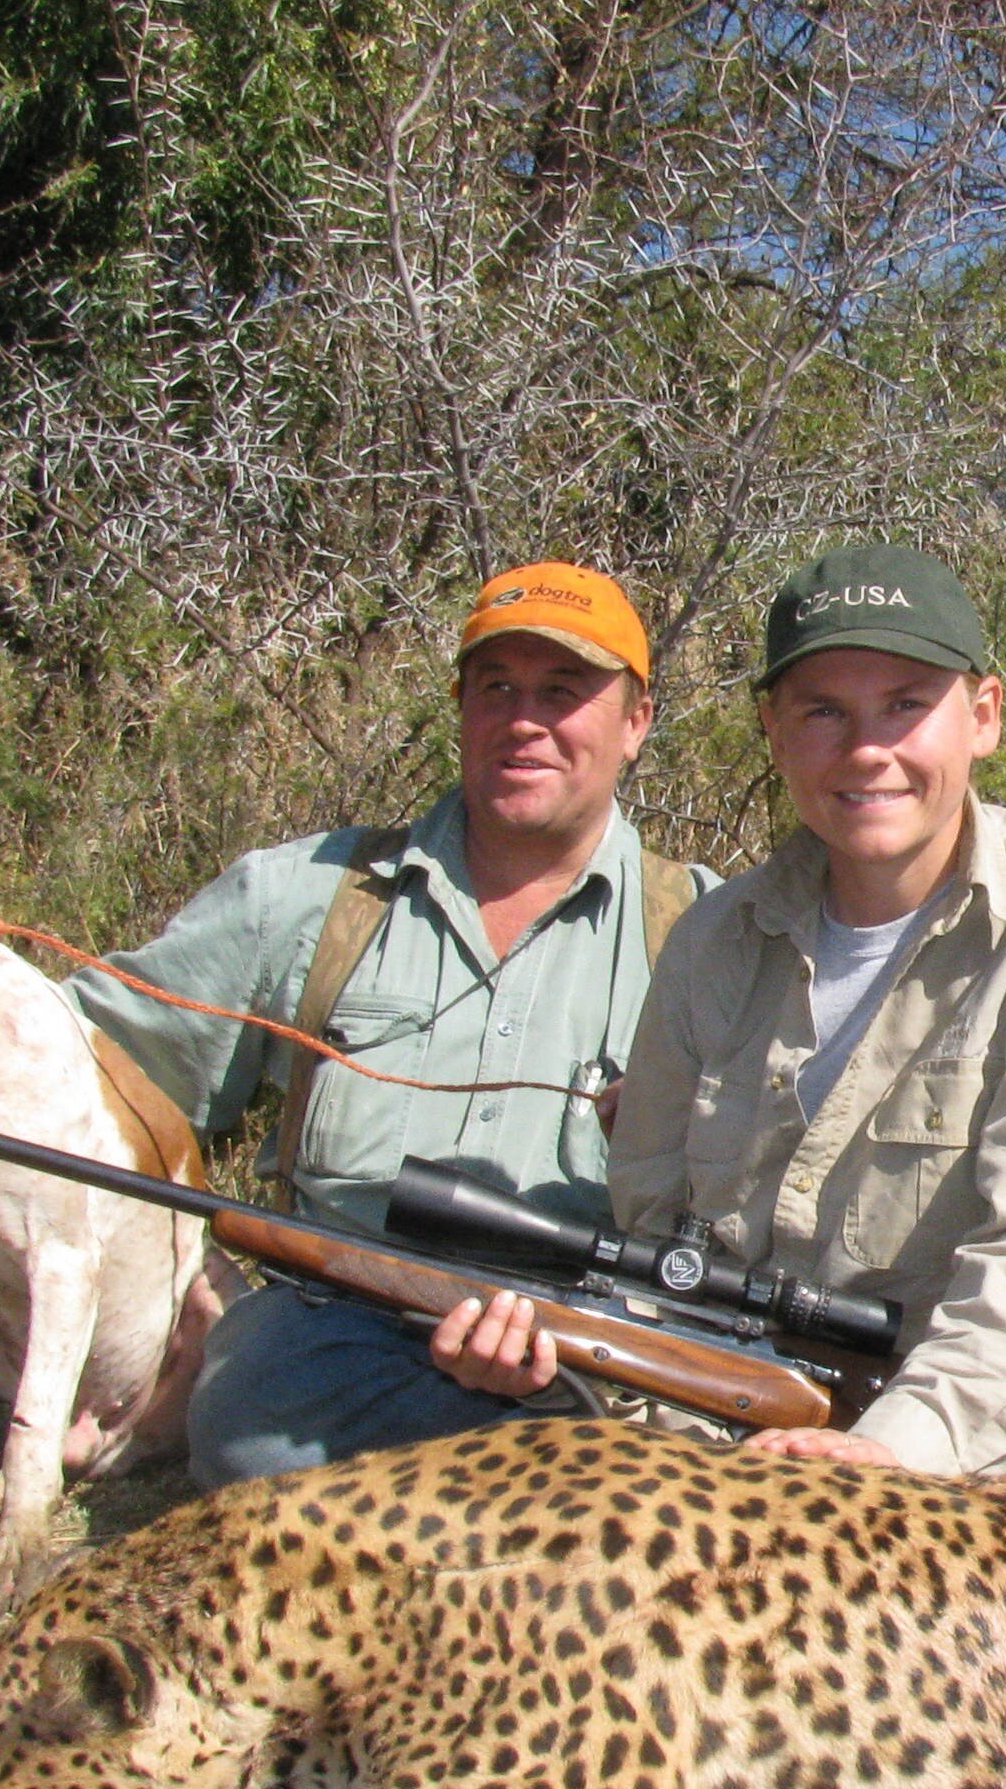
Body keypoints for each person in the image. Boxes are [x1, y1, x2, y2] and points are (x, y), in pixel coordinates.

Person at [430, 543, 1006, 1483]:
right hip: (719, 1451)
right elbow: (655, 1243)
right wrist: (552, 1367)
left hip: (985, 1478)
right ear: (773, 731)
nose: (867, 749)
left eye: (906, 704)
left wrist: (885, 1450)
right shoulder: (711, 942)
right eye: (824, 711)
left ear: (983, 717)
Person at [61, 562, 713, 1486]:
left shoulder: (710, 934)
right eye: (496, 690)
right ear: (461, 711)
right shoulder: (305, 898)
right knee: (258, 1432)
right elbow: (87, 1057)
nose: (524, 721)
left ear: (636, 722)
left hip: (595, 1350)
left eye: (564, 692)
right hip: (342, 1329)